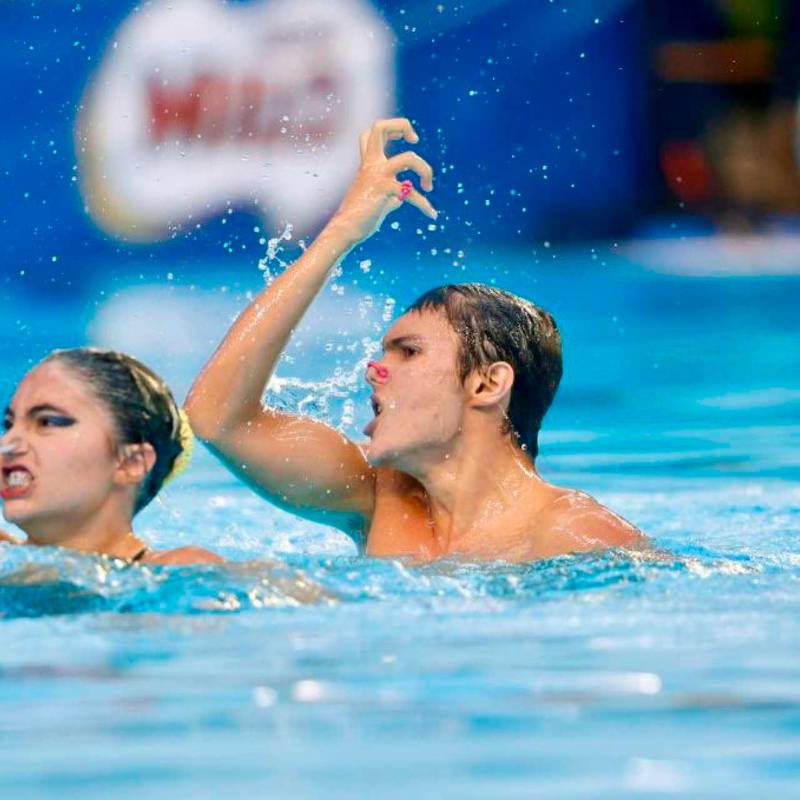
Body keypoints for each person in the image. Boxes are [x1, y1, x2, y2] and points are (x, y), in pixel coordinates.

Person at [186, 118, 646, 563]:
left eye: (409, 352)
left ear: (487, 384)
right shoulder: (377, 496)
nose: (374, 369)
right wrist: (341, 233)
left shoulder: (574, 536)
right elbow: (216, 419)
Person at [1, 348, 222, 564]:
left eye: (47, 422)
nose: (7, 443)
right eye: (9, 425)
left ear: (130, 463)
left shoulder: (181, 570)